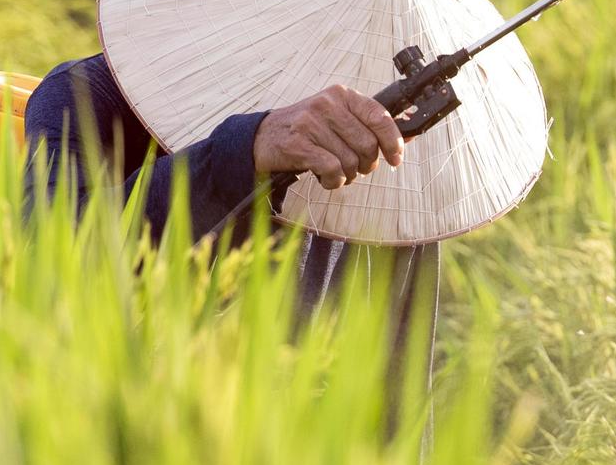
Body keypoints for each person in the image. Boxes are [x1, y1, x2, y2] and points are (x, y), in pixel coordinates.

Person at [22, 52, 408, 296]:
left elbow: (396, 375)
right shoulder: (95, 92)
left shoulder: (396, 170)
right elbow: (50, 252)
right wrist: (243, 149)